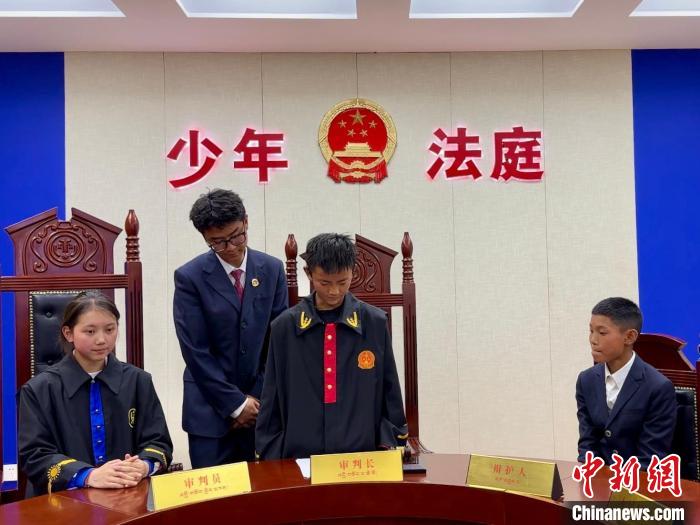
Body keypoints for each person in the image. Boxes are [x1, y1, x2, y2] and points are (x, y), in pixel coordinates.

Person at [256, 233, 408, 459]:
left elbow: (390, 389)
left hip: (360, 454)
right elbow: (272, 395)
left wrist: (392, 442)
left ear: (353, 273)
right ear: (309, 273)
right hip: (300, 455)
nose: (334, 291)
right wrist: (269, 451)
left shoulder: (374, 323)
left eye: (342, 282)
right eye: (324, 283)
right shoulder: (284, 328)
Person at [174, 188, 287, 468]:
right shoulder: (190, 277)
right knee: (214, 493)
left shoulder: (272, 269)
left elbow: (278, 342)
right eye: (218, 242)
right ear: (205, 238)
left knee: (266, 489)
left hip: (261, 407)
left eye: (237, 236)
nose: (231, 247)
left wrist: (255, 400)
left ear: (246, 222)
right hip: (209, 411)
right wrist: (235, 404)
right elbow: (195, 351)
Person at [18, 291, 172, 497]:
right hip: (65, 501)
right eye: (90, 331)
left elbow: (159, 442)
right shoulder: (38, 390)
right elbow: (34, 456)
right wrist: (89, 475)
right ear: (68, 333)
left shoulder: (138, 381)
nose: (102, 340)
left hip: (128, 495)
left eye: (110, 329)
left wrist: (143, 466)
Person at [576, 297, 677, 468]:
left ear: (629, 337)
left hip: (638, 479)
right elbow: (587, 445)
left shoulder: (658, 387)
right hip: (598, 479)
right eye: (591, 331)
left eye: (602, 333)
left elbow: (650, 458)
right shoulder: (586, 380)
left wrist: (614, 482)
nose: (593, 339)